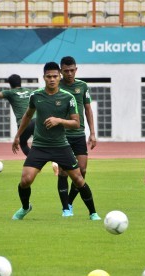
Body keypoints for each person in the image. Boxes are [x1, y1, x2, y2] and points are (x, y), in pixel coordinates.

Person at [11, 61, 101, 221]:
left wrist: (59, 121)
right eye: (48, 76)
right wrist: (18, 136)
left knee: (79, 179)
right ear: (44, 77)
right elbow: (27, 116)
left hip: (61, 146)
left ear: (59, 77)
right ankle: (25, 207)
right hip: (40, 146)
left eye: (54, 76)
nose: (52, 79)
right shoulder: (36, 95)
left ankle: (93, 213)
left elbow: (76, 122)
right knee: (25, 180)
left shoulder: (68, 97)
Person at [54, 56, 97, 217]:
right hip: (62, 136)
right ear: (61, 71)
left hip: (79, 134)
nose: (70, 73)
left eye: (72, 70)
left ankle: (70, 202)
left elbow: (88, 109)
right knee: (64, 172)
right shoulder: (56, 87)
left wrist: (92, 133)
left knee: (82, 171)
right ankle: (65, 208)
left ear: (76, 70)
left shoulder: (82, 86)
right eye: (66, 71)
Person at [0, 74, 35, 156]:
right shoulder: (30, 91)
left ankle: (33, 160)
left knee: (23, 144)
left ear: (10, 84)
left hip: (23, 123)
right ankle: (50, 159)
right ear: (20, 82)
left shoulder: (10, 93)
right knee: (41, 142)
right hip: (36, 121)